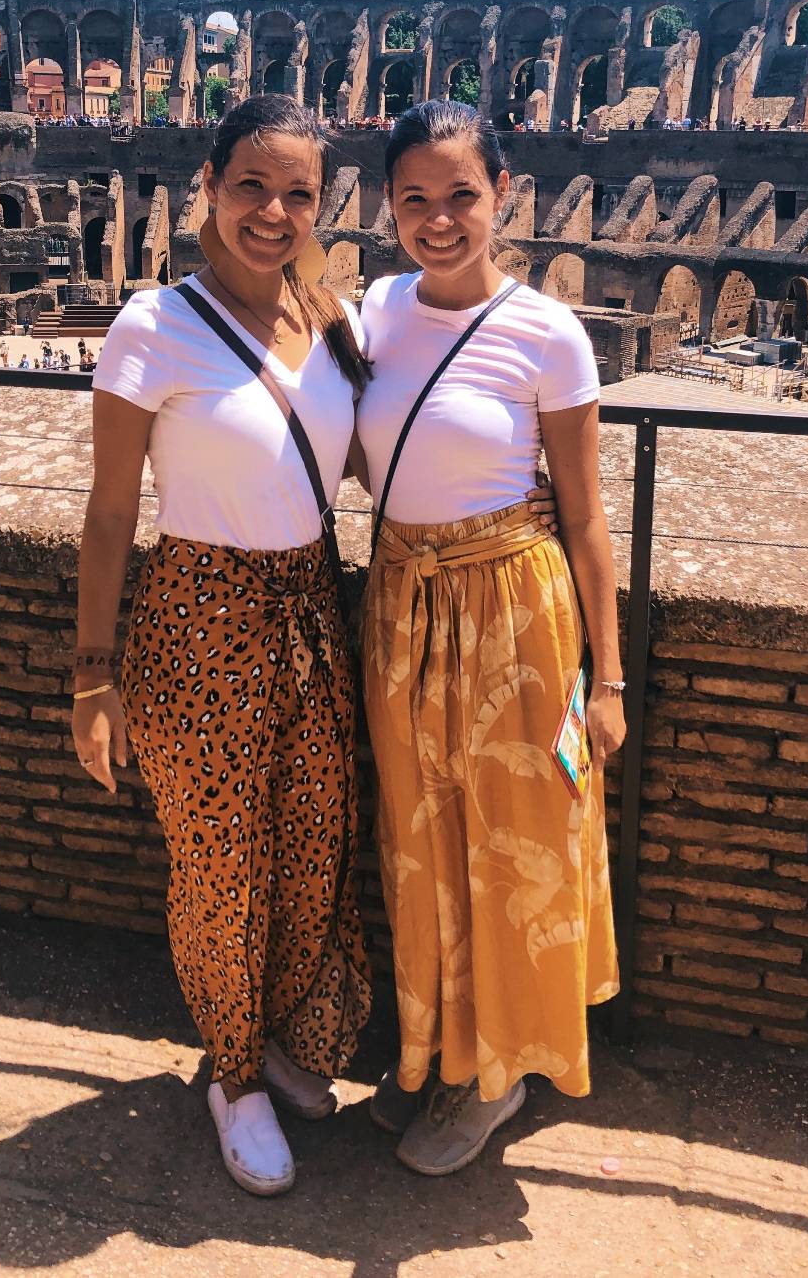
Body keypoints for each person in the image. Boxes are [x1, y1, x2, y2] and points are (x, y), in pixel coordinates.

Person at [74, 95, 372, 1197]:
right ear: (209, 184)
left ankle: (284, 1035)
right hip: (198, 620)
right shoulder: (153, 325)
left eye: (298, 193)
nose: (273, 212)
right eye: (251, 185)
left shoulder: (331, 318)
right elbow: (111, 513)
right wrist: (91, 680)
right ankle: (233, 1075)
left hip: (311, 616)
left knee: (313, 844)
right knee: (219, 865)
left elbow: (366, 462)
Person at [356, 100, 625, 1176]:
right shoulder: (376, 309)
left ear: (502, 194)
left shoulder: (549, 333)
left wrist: (608, 681)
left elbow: (588, 517)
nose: (438, 219)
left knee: (518, 840)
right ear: (387, 206)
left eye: (461, 195)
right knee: (419, 841)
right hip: (400, 604)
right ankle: (436, 1052)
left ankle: (500, 1073)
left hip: (516, 610)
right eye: (414, 198)